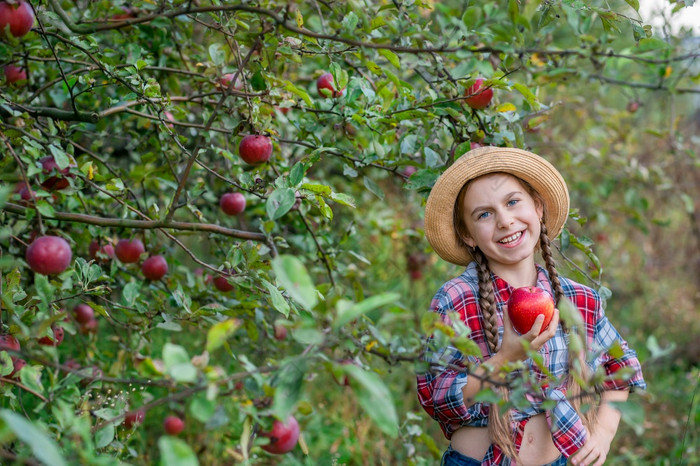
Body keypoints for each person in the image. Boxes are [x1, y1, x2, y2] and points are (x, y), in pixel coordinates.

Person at [416, 146, 646, 466]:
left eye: (512, 202)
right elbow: (435, 396)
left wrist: (603, 432)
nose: (505, 221)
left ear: (537, 207)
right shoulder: (455, 300)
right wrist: (505, 359)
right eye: (484, 214)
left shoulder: (576, 299)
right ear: (468, 235)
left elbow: (620, 366)